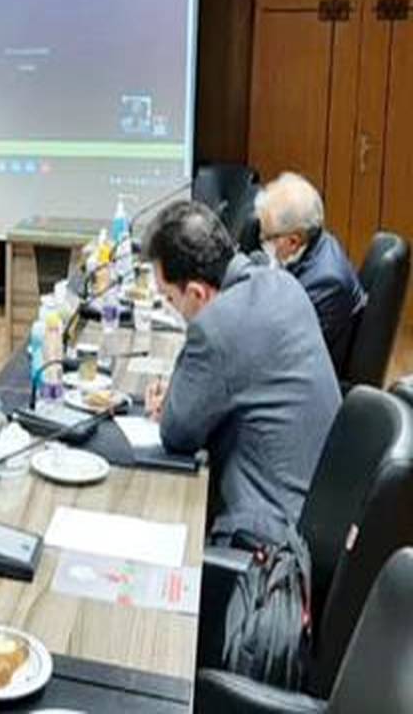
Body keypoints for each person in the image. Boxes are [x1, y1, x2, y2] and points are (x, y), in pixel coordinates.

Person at [142, 200, 340, 546]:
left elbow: (176, 433)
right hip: (316, 509)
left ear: (197, 293)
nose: (173, 310)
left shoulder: (217, 326)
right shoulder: (283, 283)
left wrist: (172, 402)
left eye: (170, 299)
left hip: (267, 540)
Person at [254, 172, 365, 374]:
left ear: (293, 241)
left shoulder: (326, 282)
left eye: (267, 237)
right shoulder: (313, 242)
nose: (262, 242)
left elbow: (285, 349)